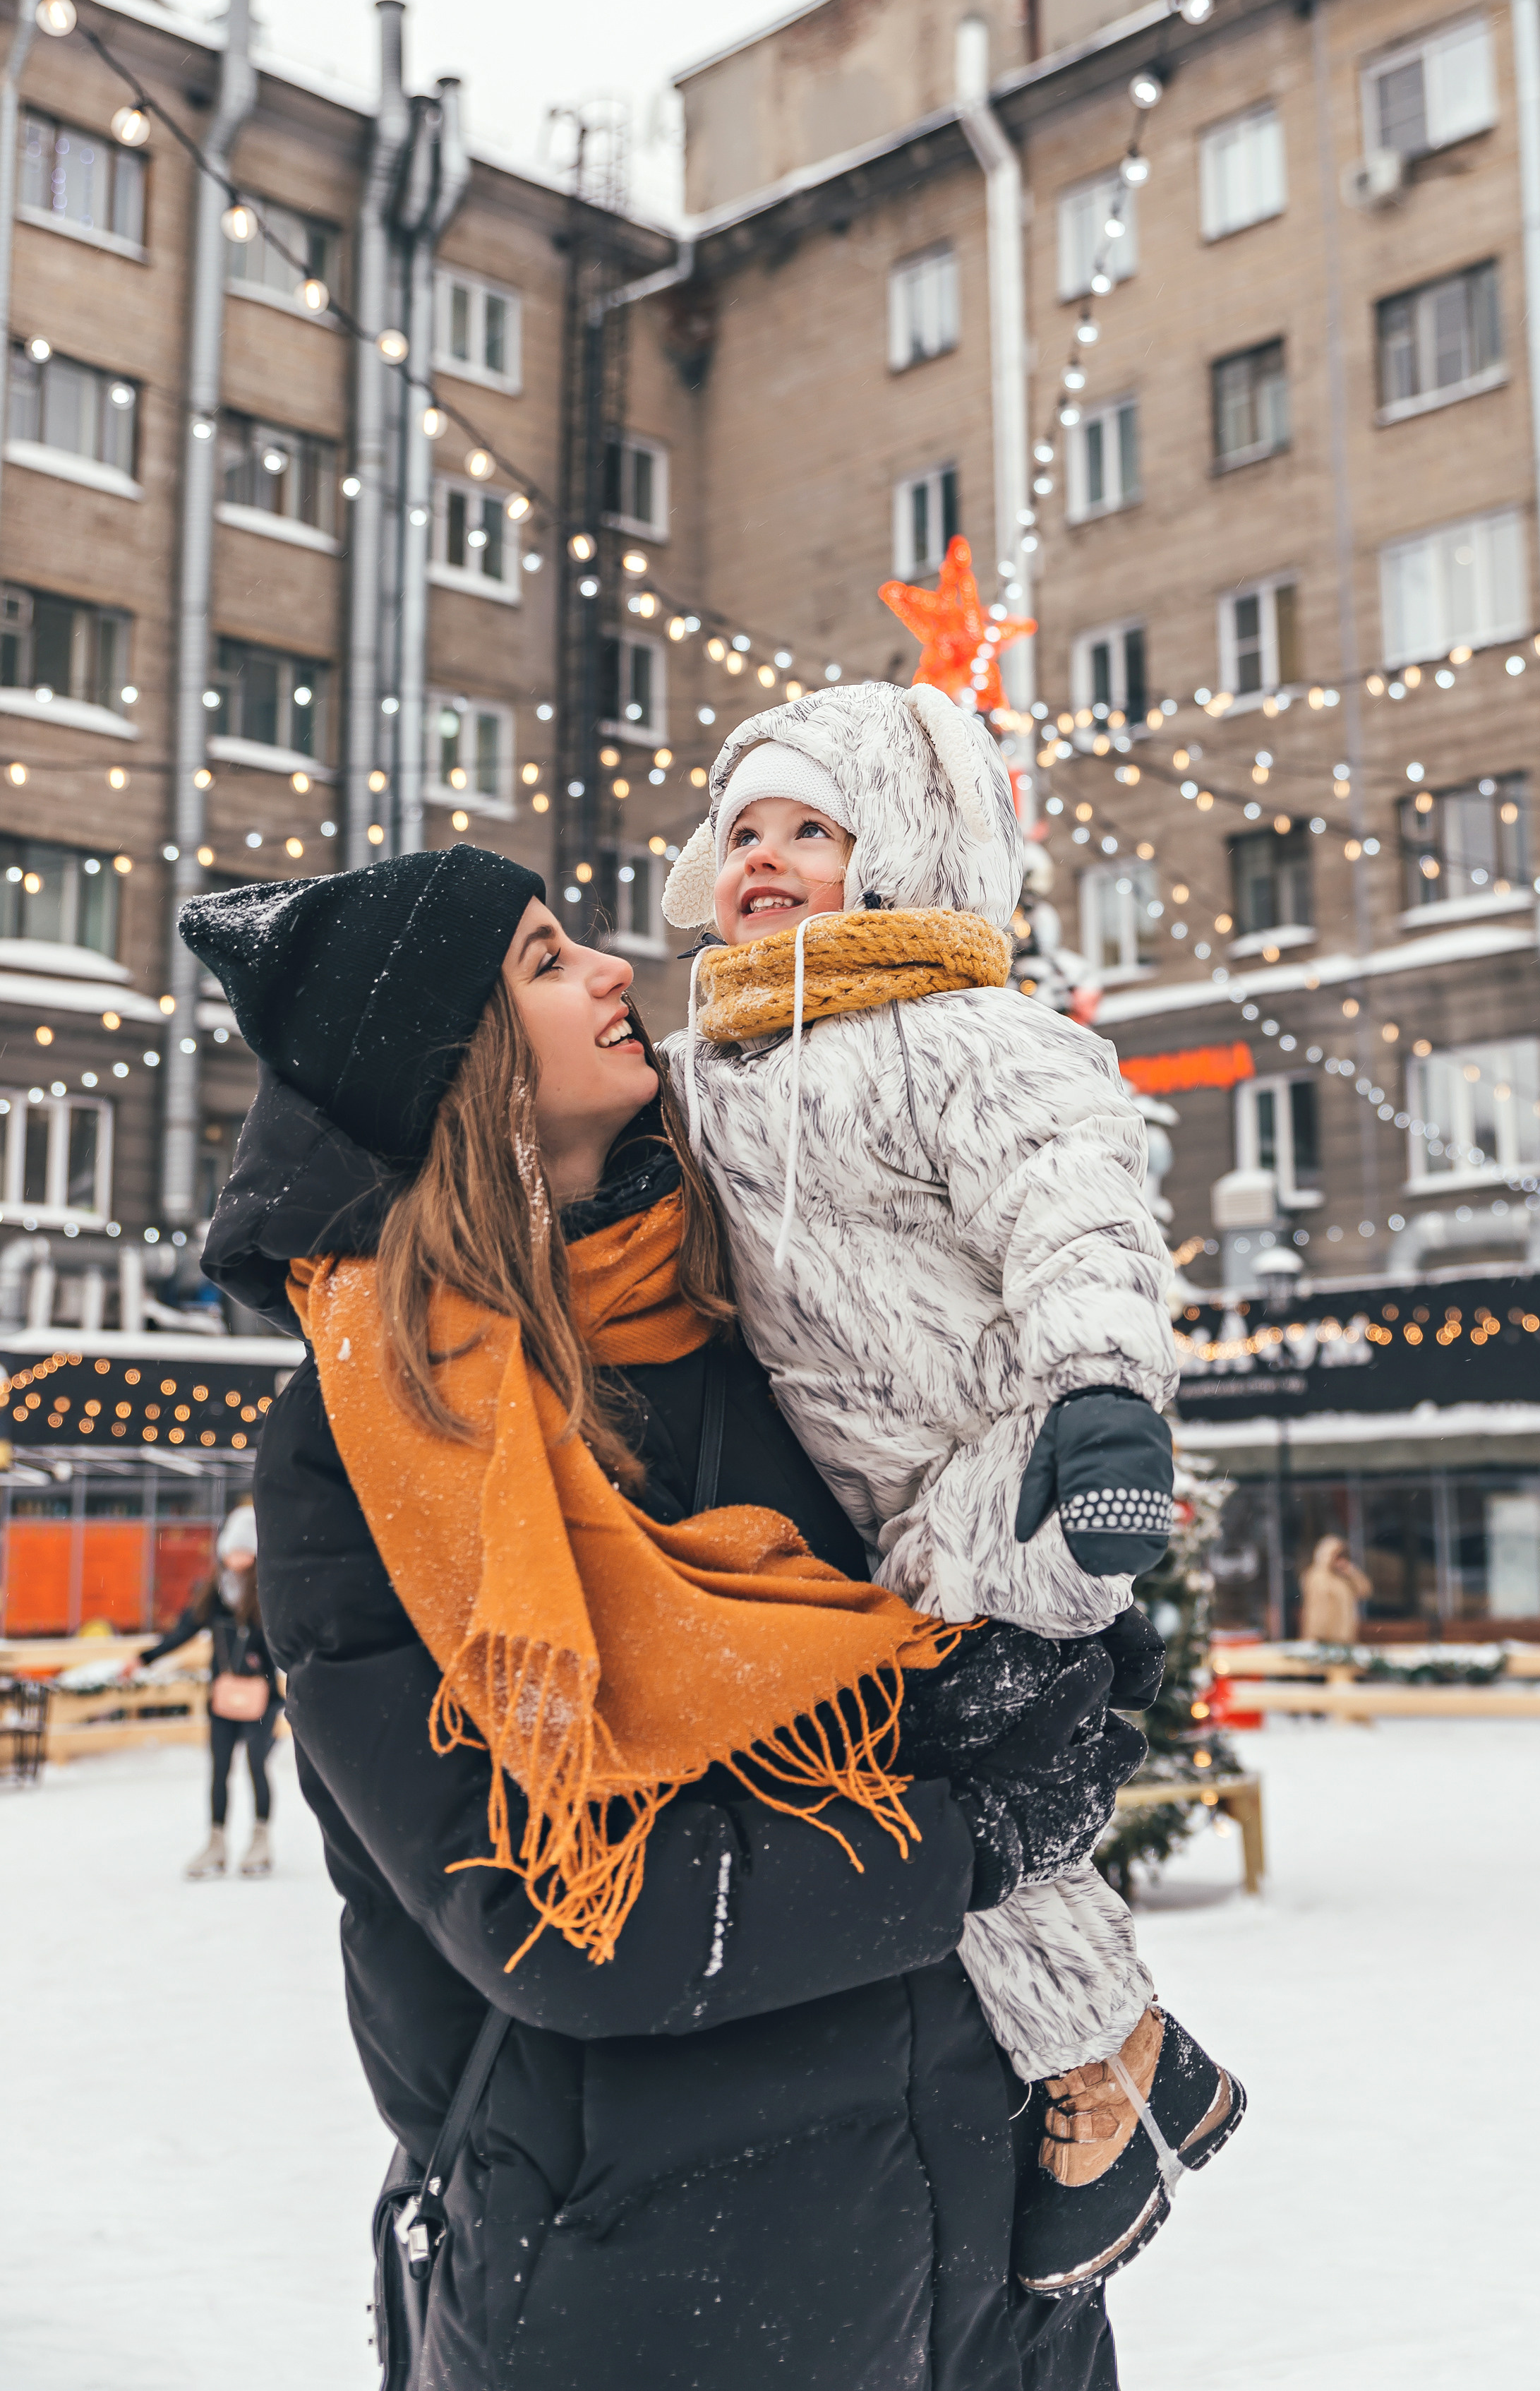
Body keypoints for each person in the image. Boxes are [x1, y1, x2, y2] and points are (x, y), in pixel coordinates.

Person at [186, 842, 1145, 2391]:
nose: (613, 971)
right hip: (643, 2271)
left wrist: (1073, 1655)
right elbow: (568, 1925)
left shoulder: (763, 1313)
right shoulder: (367, 1437)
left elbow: (952, 1621)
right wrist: (969, 1837)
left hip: (975, 2243)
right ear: (458, 1056)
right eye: (547, 960)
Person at [658, 681, 1245, 2299]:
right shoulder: (705, 1065)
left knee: (961, 1768)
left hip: (1009, 1457)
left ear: (896, 856)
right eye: (742, 830)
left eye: (810, 831)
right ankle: (1136, 2045)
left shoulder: (966, 1035)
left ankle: (1089, 2098)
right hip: (858, 1514)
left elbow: (1076, 1211)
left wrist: (1104, 1396)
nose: (764, 858)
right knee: (923, 1785)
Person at [126, 1502, 279, 1878]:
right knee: (220, 1769)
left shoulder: (270, 1597)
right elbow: (184, 1631)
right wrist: (145, 1658)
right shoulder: (213, 1593)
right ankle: (216, 1843)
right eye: (230, 1549)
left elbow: (283, 1645)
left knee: (257, 1766)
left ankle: (260, 1840)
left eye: (244, 1549)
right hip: (223, 1696)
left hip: (261, 1697)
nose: (234, 1556)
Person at [1299, 1534, 1371, 1646]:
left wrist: (1352, 1573)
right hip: (1322, 1638)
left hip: (1345, 1637)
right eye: (1336, 1556)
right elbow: (1316, 1608)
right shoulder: (1316, 1576)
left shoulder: (1345, 1578)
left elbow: (1365, 1591)